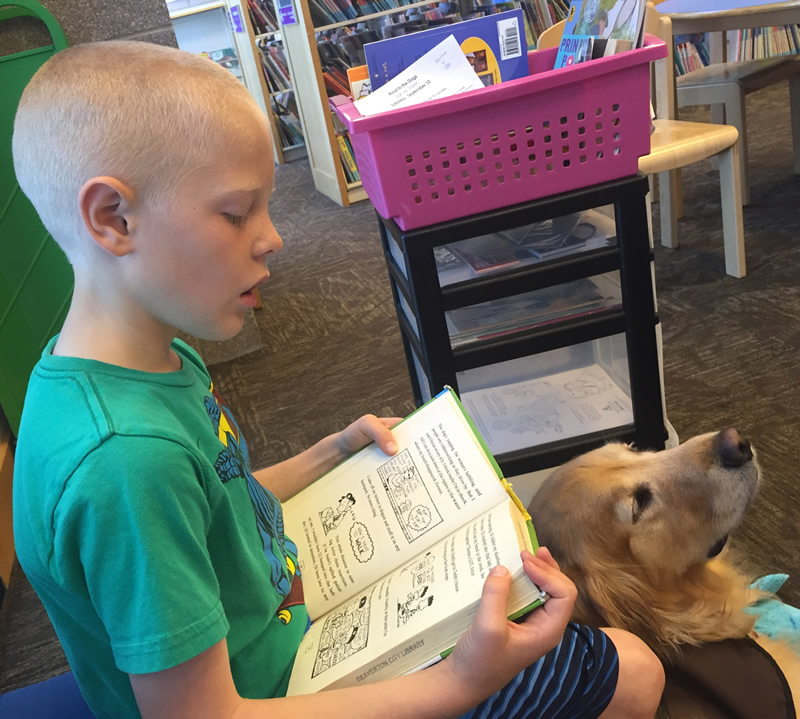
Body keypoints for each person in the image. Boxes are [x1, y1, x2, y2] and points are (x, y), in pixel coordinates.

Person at [11, 40, 665, 719]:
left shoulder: (129, 361)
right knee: (634, 672)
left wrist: (332, 451)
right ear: (113, 219)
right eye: (237, 213)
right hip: (278, 692)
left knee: (541, 606)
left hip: (287, 627)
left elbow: (218, 503)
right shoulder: (126, 461)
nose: (272, 238)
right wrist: (459, 682)